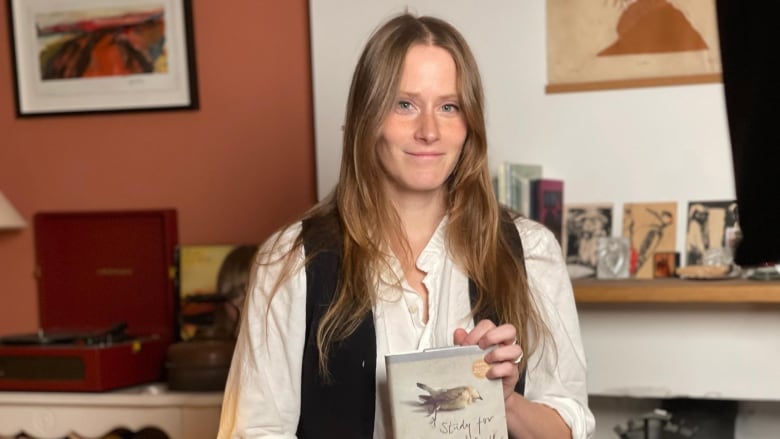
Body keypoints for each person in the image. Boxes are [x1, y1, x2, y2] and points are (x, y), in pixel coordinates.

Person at [218, 12, 594, 439]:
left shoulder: (529, 251)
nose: (429, 131)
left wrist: (504, 402)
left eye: (449, 107)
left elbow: (569, 425)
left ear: (468, 127)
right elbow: (255, 431)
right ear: (367, 117)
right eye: (405, 104)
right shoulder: (290, 261)